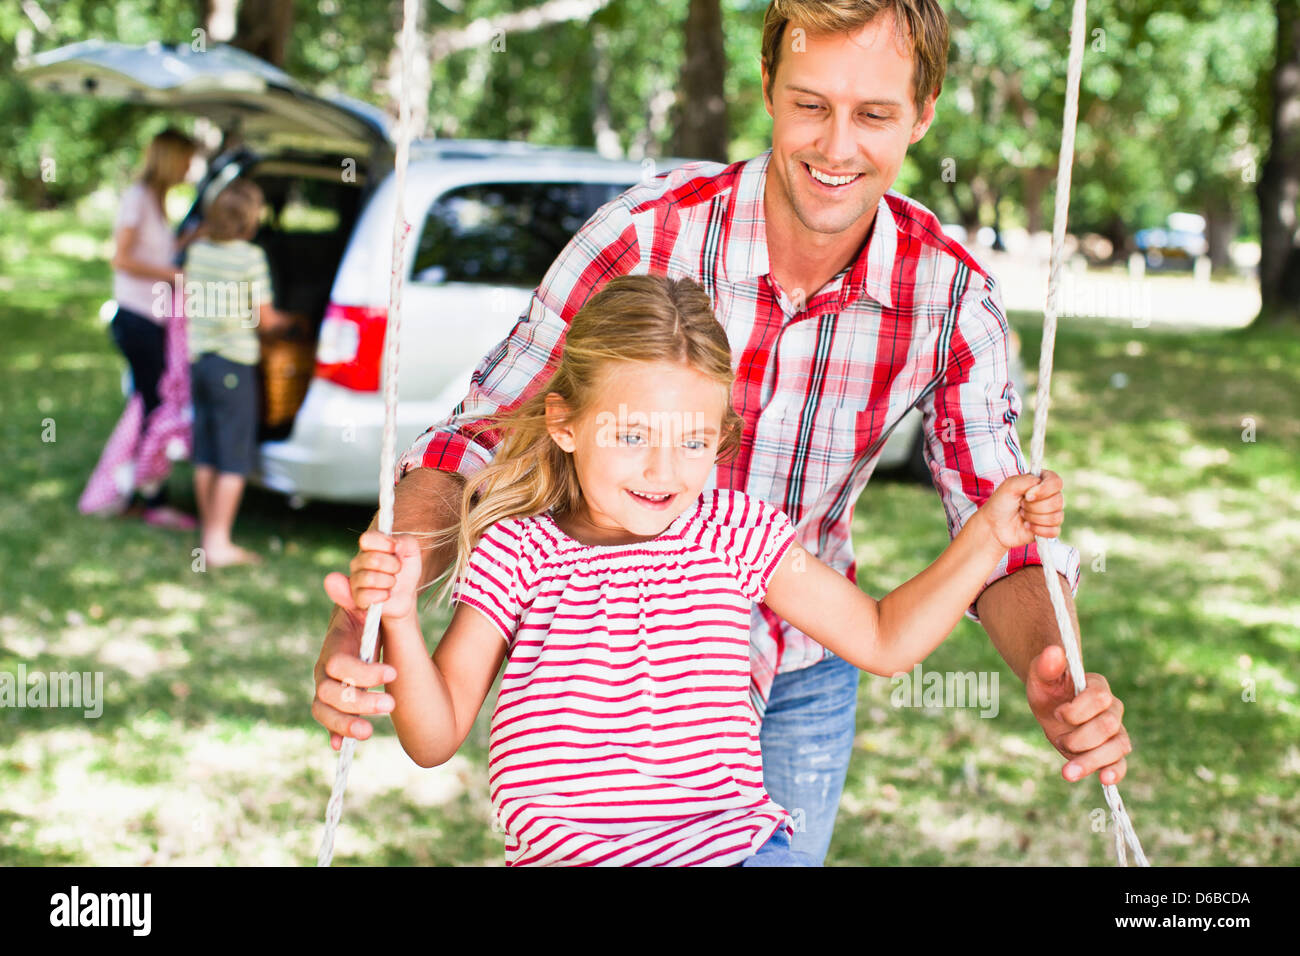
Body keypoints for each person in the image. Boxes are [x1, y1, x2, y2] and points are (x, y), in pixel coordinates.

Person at [314, 0, 1134, 865]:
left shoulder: (951, 298)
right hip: (598, 702)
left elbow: (994, 531)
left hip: (802, 662)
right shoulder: (642, 236)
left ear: (922, 115)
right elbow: (474, 439)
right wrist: (376, 617)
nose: (837, 146)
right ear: (770, 88)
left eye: (875, 114)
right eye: (811, 104)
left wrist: (1055, 668)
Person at [345, 274, 1065, 867]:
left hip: (729, 852)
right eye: (630, 436)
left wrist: (986, 536)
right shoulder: (518, 554)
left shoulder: (733, 530)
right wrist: (401, 620)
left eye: (693, 441)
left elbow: (882, 639)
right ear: (566, 424)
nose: (663, 470)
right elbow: (433, 738)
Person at [96, 127, 203, 528]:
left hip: (150, 318)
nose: (188, 170)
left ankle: (133, 491)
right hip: (135, 317)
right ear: (169, 158)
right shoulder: (138, 198)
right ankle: (147, 498)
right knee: (154, 409)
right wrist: (175, 275)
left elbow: (153, 250)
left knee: (149, 406)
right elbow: (120, 259)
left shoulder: (157, 202)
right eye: (186, 161)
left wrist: (194, 238)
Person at [184, 179, 289, 567]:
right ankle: (218, 543)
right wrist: (291, 322)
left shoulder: (198, 251)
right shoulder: (249, 258)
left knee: (207, 451)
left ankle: (207, 533)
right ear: (250, 219)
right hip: (234, 364)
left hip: (201, 363)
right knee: (234, 456)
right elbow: (264, 321)